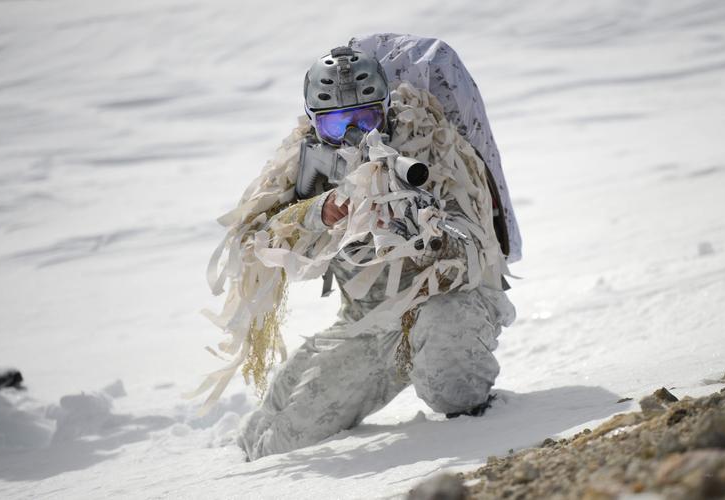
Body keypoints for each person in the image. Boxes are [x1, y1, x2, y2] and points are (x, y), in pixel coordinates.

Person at [201, 38, 519, 461]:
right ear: (315, 124)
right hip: (368, 323)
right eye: (337, 125)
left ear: (386, 109)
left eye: (367, 118)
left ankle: (488, 427)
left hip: (450, 304)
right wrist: (319, 212)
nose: (354, 134)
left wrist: (427, 233)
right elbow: (253, 240)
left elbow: (480, 249)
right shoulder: (303, 161)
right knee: (285, 434)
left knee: (451, 386)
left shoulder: (435, 147)